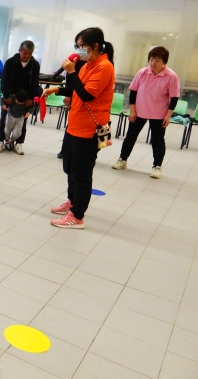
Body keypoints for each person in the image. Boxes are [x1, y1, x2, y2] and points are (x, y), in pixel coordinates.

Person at [45, 27, 115, 229]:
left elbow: (86, 94)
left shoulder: (104, 67)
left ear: (95, 46)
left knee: (81, 173)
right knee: (69, 167)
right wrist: (56, 89)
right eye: (76, 46)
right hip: (75, 125)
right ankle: (72, 201)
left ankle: (77, 216)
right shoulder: (87, 65)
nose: (78, 50)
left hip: (89, 129)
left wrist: (71, 72)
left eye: (82, 46)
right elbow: (76, 88)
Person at [111, 46, 180, 179]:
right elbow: (133, 91)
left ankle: (157, 166)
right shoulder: (142, 72)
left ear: (164, 62)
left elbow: (174, 97)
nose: (153, 63)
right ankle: (122, 159)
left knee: (157, 141)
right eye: (151, 60)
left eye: (157, 61)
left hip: (159, 114)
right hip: (139, 111)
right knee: (130, 137)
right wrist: (132, 110)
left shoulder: (171, 76)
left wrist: (168, 116)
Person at [0, 40, 42, 155]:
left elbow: (35, 83)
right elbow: (4, 80)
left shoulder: (35, 65)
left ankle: (19, 143)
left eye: (30, 53)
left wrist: (31, 98)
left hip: (25, 98)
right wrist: (6, 96)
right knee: (4, 120)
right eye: (25, 53)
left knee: (22, 122)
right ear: (19, 50)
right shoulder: (10, 62)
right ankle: (1, 141)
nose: (27, 56)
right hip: (10, 97)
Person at [56, 60, 87, 159]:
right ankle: (65, 151)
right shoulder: (76, 60)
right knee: (71, 125)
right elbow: (70, 78)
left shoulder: (98, 64)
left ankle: (78, 152)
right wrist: (68, 95)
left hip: (87, 99)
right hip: (75, 96)